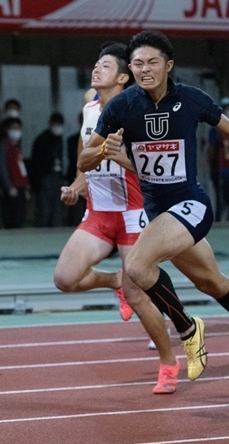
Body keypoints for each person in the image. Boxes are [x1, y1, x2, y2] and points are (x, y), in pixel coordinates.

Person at [79, 30, 229, 383]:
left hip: (191, 203)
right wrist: (105, 150)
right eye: (138, 63)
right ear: (130, 69)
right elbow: (84, 160)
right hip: (159, 214)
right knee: (214, 284)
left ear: (168, 65)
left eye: (153, 62)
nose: (145, 69)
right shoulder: (121, 107)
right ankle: (191, 326)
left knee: (137, 265)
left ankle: (189, 330)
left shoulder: (191, 99)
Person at [57, 42, 177, 393]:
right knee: (64, 278)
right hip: (97, 211)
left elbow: (156, 170)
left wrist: (122, 155)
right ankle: (114, 283)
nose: (96, 70)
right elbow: (85, 154)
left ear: (124, 77)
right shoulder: (89, 106)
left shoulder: (140, 113)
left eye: (105, 67)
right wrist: (78, 184)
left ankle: (168, 363)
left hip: (133, 214)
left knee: (140, 296)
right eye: (95, 65)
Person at [29, 112, 65, 227]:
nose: (58, 127)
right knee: (44, 208)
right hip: (45, 177)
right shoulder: (42, 140)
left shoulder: (59, 139)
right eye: (56, 124)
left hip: (57, 176)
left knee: (56, 207)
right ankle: (42, 229)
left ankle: (56, 228)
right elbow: (36, 162)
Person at [0, 117, 29, 228]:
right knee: (12, 215)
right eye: (13, 128)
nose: (16, 131)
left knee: (20, 214)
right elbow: (2, 166)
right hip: (12, 186)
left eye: (18, 128)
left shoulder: (16, 145)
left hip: (21, 184)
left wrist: (26, 185)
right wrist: (8, 186)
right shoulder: (4, 145)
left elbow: (21, 167)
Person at [207, 96, 229, 221]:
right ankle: (220, 217)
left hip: (223, 168)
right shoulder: (216, 130)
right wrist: (212, 166)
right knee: (221, 194)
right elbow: (212, 148)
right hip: (221, 168)